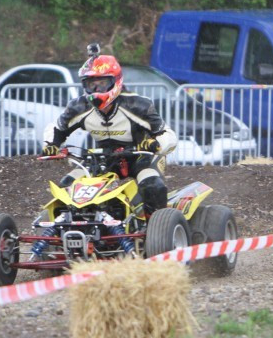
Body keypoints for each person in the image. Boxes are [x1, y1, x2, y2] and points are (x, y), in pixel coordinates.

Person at [32, 48, 176, 260]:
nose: (96, 88)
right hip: (102, 160)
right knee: (65, 188)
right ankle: (62, 238)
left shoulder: (138, 105)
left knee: (152, 186)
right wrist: (50, 144)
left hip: (140, 157)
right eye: (91, 84)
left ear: (115, 81)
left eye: (101, 82)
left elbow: (169, 134)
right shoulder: (79, 106)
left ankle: (155, 233)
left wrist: (155, 144)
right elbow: (56, 129)